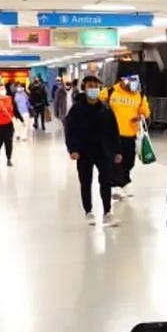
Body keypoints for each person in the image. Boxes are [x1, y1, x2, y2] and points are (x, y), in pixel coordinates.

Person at [64, 74, 121, 226]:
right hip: (84, 152)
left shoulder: (105, 108)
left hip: (103, 151)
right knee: (85, 181)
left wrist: (117, 151)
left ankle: (107, 212)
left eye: (96, 86)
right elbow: (69, 130)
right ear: (84, 88)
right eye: (90, 86)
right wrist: (72, 149)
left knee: (106, 181)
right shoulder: (77, 109)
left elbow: (114, 130)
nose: (93, 89)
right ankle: (88, 211)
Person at [105, 75, 150, 199]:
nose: (132, 86)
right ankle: (115, 185)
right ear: (122, 81)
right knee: (115, 160)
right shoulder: (111, 92)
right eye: (130, 82)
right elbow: (97, 98)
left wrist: (141, 116)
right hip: (113, 134)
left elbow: (145, 112)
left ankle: (124, 181)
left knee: (129, 161)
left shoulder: (139, 96)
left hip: (130, 134)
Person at [0, 85, 18, 165]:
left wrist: (21, 119)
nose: (3, 90)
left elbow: (15, 110)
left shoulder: (10, 99)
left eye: (4, 89)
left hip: (8, 124)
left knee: (8, 142)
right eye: (0, 89)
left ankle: (9, 159)